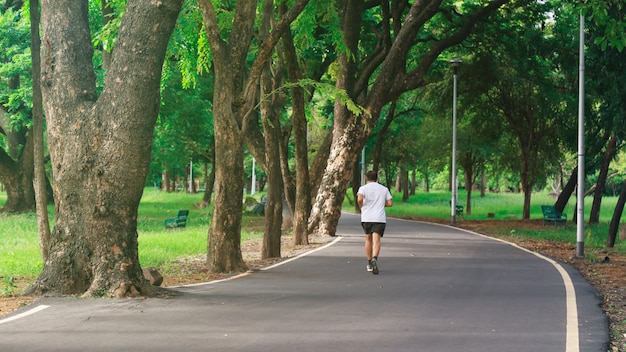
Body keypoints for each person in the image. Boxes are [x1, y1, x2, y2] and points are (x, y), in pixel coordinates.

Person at [357, 170, 392, 274]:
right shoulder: (384, 189)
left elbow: (359, 199)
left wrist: (361, 207)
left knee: (368, 239)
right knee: (376, 240)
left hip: (366, 217)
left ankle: (369, 263)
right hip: (379, 218)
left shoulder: (363, 188)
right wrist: (381, 204)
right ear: (377, 178)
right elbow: (390, 203)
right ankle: (375, 259)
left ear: (367, 178)